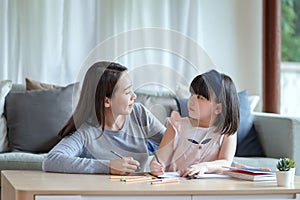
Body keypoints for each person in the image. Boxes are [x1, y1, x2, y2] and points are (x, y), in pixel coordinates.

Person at [42, 61, 165, 175]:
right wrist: (109, 166)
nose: (134, 96)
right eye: (127, 92)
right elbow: (51, 160)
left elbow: (169, 141)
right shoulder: (86, 132)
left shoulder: (139, 113)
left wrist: (159, 160)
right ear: (107, 101)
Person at [150, 69, 240, 177]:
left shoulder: (226, 131)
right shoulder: (177, 126)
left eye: (199, 97)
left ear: (218, 108)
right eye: (192, 94)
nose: (191, 100)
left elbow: (225, 162)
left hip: (210, 186)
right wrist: (156, 165)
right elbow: (160, 158)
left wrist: (204, 167)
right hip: (177, 184)